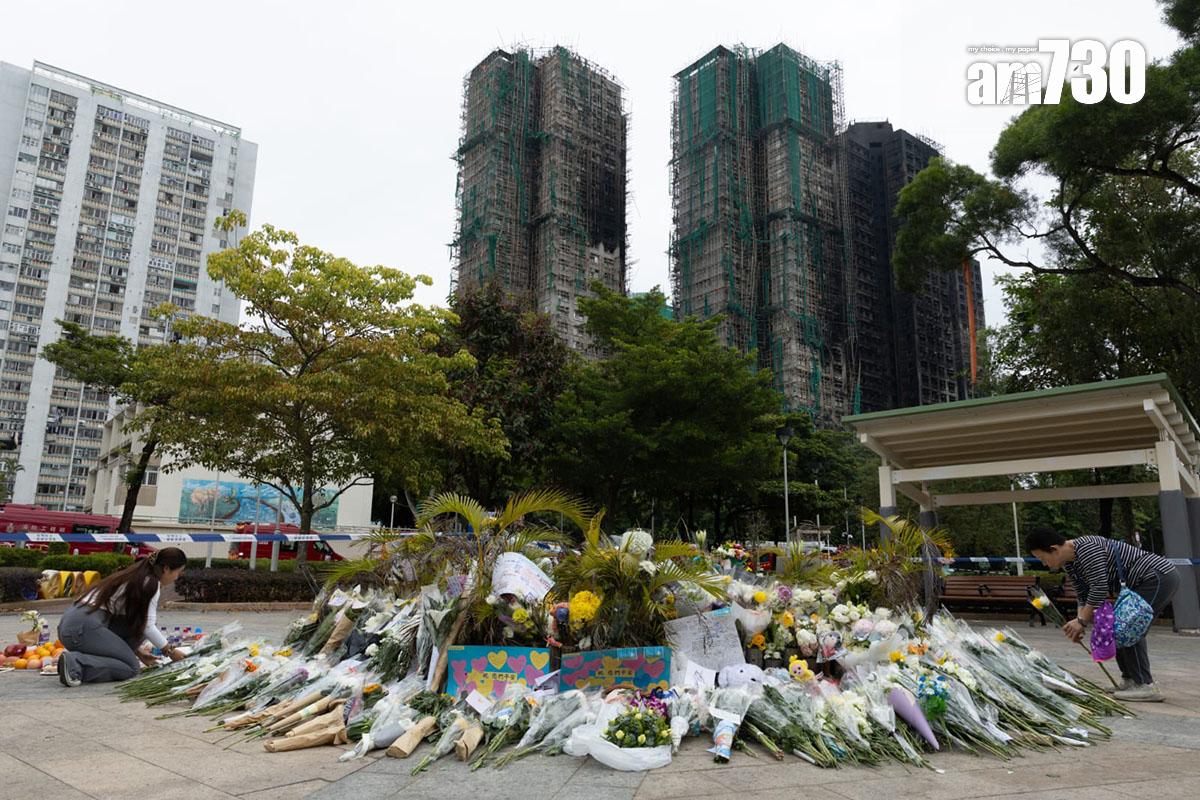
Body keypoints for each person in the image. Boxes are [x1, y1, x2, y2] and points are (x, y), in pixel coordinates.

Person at [1025, 528, 1179, 702]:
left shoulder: (1087, 548)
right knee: (1117, 626)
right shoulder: (1070, 562)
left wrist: (1081, 622)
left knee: (1129, 626)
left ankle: (1144, 684)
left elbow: (1099, 588)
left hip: (1157, 577)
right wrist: (1078, 623)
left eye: (1042, 559)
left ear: (1054, 549)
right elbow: (1083, 595)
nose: (1045, 564)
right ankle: (1129, 680)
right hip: (1141, 583)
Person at [56, 547, 188, 686]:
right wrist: (170, 651)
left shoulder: (136, 575)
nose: (176, 577)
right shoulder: (150, 583)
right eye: (178, 572)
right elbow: (148, 626)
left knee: (137, 628)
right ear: (166, 569)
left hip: (72, 625)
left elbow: (138, 624)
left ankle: (75, 662)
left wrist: (140, 653)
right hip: (82, 629)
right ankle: (76, 663)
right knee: (130, 668)